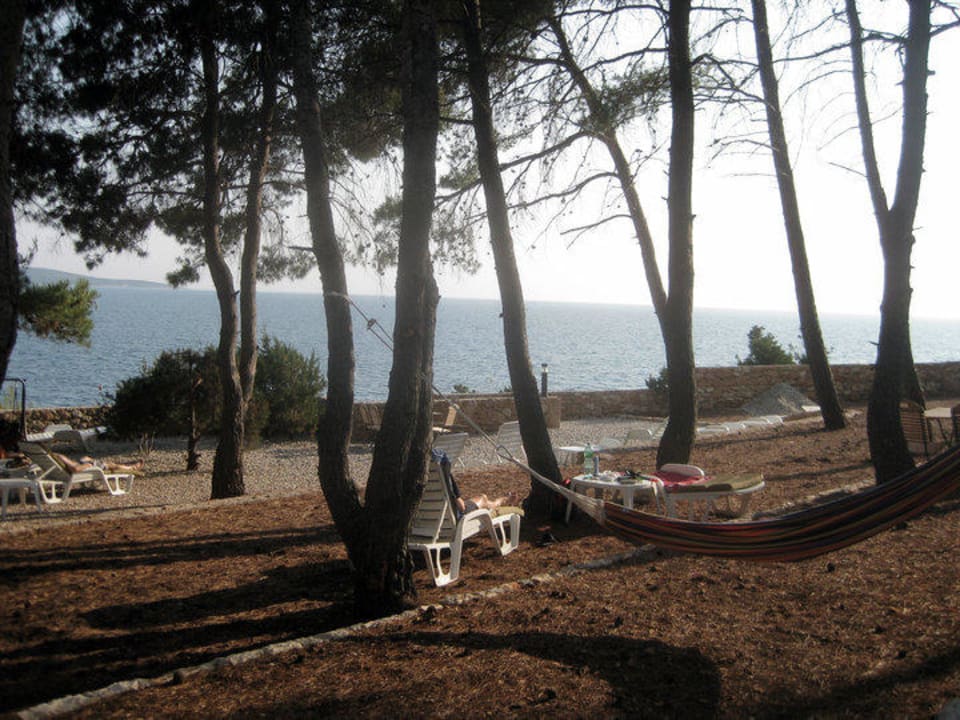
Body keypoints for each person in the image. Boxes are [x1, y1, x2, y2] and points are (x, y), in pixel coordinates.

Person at [431, 448, 517, 519]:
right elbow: (461, 507)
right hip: (453, 518)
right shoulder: (440, 462)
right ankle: (504, 500)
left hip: (425, 524)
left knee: (482, 499)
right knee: (483, 498)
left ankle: (503, 500)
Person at [52, 452, 144, 475]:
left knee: (111, 465)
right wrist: (89, 464)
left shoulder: (55, 459)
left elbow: (73, 465)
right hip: (87, 467)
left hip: (82, 464)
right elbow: (76, 469)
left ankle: (130, 466)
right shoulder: (58, 457)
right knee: (112, 466)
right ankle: (131, 468)